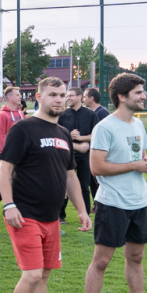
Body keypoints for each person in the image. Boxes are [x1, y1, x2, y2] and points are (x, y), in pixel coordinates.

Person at [0, 77, 91, 293]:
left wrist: (81, 210)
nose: (59, 99)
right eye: (52, 94)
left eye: (62, 95)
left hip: (51, 218)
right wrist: (8, 205)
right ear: (38, 97)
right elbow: (4, 169)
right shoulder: (23, 129)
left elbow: (70, 175)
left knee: (45, 274)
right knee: (32, 274)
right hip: (25, 214)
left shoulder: (63, 132)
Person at [82, 73, 147, 293]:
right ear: (121, 96)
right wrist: (135, 165)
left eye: (142, 92)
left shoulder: (138, 124)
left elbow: (140, 157)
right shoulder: (104, 127)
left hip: (140, 200)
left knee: (136, 257)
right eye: (138, 92)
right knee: (101, 261)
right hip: (113, 202)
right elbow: (96, 167)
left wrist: (146, 163)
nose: (143, 96)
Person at [0, 86, 25, 221]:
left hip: (22, 153)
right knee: (8, 180)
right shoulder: (2, 115)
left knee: (18, 181)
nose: (20, 97)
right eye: (17, 95)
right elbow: (0, 136)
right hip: (7, 153)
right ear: (9, 98)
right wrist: (6, 154)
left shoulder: (20, 113)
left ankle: (11, 207)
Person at [57, 87, 96, 223]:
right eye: (67, 96)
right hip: (66, 155)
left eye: (71, 95)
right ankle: (60, 215)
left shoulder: (90, 115)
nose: (68, 98)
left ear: (80, 97)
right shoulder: (62, 115)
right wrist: (70, 136)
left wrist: (81, 138)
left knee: (84, 186)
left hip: (85, 156)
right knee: (64, 186)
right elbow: (56, 135)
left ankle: (85, 215)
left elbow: (96, 135)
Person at [83, 87, 111, 211]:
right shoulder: (89, 113)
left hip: (101, 154)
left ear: (91, 98)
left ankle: (102, 205)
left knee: (99, 181)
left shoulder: (102, 113)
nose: (83, 99)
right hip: (90, 153)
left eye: (85, 97)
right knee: (92, 181)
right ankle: (96, 204)